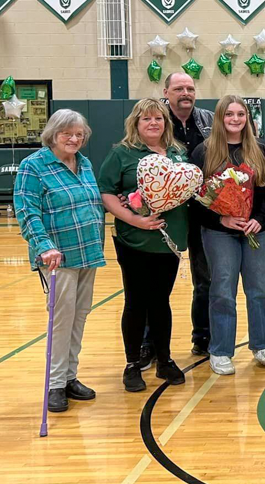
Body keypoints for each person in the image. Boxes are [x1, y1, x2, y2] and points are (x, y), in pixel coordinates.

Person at [14, 110, 105, 412]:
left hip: (88, 252)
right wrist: (43, 246)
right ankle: (55, 385)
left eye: (79, 134)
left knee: (79, 317)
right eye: (68, 133)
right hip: (58, 257)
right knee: (62, 320)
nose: (74, 139)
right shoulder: (34, 166)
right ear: (53, 133)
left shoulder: (85, 163)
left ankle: (70, 377)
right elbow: (27, 211)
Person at [98, 98, 188, 391]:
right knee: (136, 302)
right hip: (133, 240)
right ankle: (132, 363)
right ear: (135, 123)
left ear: (166, 123)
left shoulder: (178, 153)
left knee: (161, 302)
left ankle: (164, 360)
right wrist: (135, 219)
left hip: (169, 242)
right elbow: (107, 194)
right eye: (146, 119)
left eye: (159, 118)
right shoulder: (122, 154)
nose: (153, 123)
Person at [190, 96, 265, 375]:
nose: (235, 119)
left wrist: (259, 218)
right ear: (220, 118)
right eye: (229, 114)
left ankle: (263, 344)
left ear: (247, 118)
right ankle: (220, 350)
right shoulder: (203, 152)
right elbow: (194, 198)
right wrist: (222, 218)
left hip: (256, 230)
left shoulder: (262, 149)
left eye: (240, 114)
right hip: (220, 232)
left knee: (258, 288)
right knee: (222, 290)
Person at [161, 72, 214, 359]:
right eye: (179, 88)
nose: (185, 93)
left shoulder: (208, 119)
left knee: (205, 280)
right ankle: (150, 345)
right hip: (167, 214)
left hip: (204, 213)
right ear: (166, 91)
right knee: (157, 284)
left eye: (190, 88)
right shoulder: (155, 118)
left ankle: (202, 338)